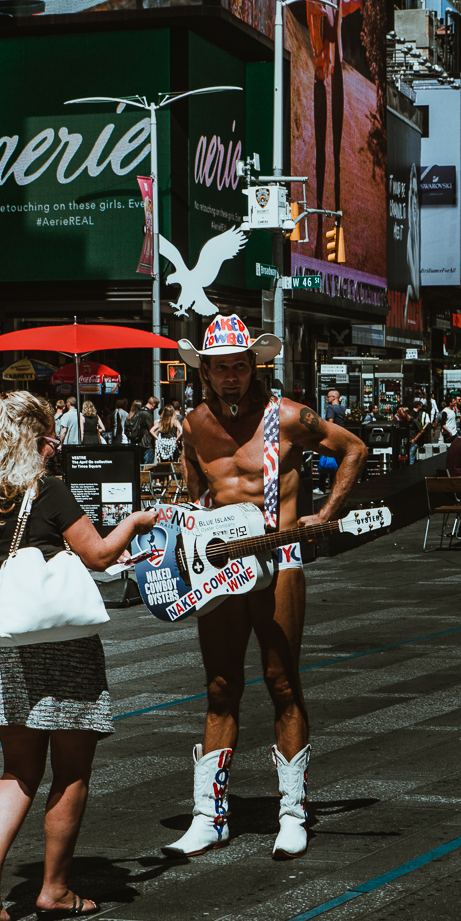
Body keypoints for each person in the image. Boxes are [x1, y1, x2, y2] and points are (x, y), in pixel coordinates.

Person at [164, 316, 367, 860]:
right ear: (204, 371)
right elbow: (192, 499)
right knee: (219, 687)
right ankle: (209, 816)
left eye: (239, 366)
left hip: (280, 559)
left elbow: (355, 449)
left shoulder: (288, 417)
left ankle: (293, 813)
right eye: (220, 368)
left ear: (254, 365)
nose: (231, 377)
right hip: (222, 569)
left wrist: (324, 514)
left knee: (282, 682)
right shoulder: (192, 425)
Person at [0, 392, 155, 921]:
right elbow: (97, 554)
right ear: (36, 438)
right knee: (70, 770)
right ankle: (55, 889)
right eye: (50, 438)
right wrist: (135, 522)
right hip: (58, 640)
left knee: (18, 769)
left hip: (0, 636)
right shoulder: (48, 489)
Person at [127, 397, 156, 464]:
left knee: (137, 464)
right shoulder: (146, 414)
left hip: (135, 442)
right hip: (146, 443)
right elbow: (150, 429)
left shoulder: (129, 417)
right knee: (147, 466)